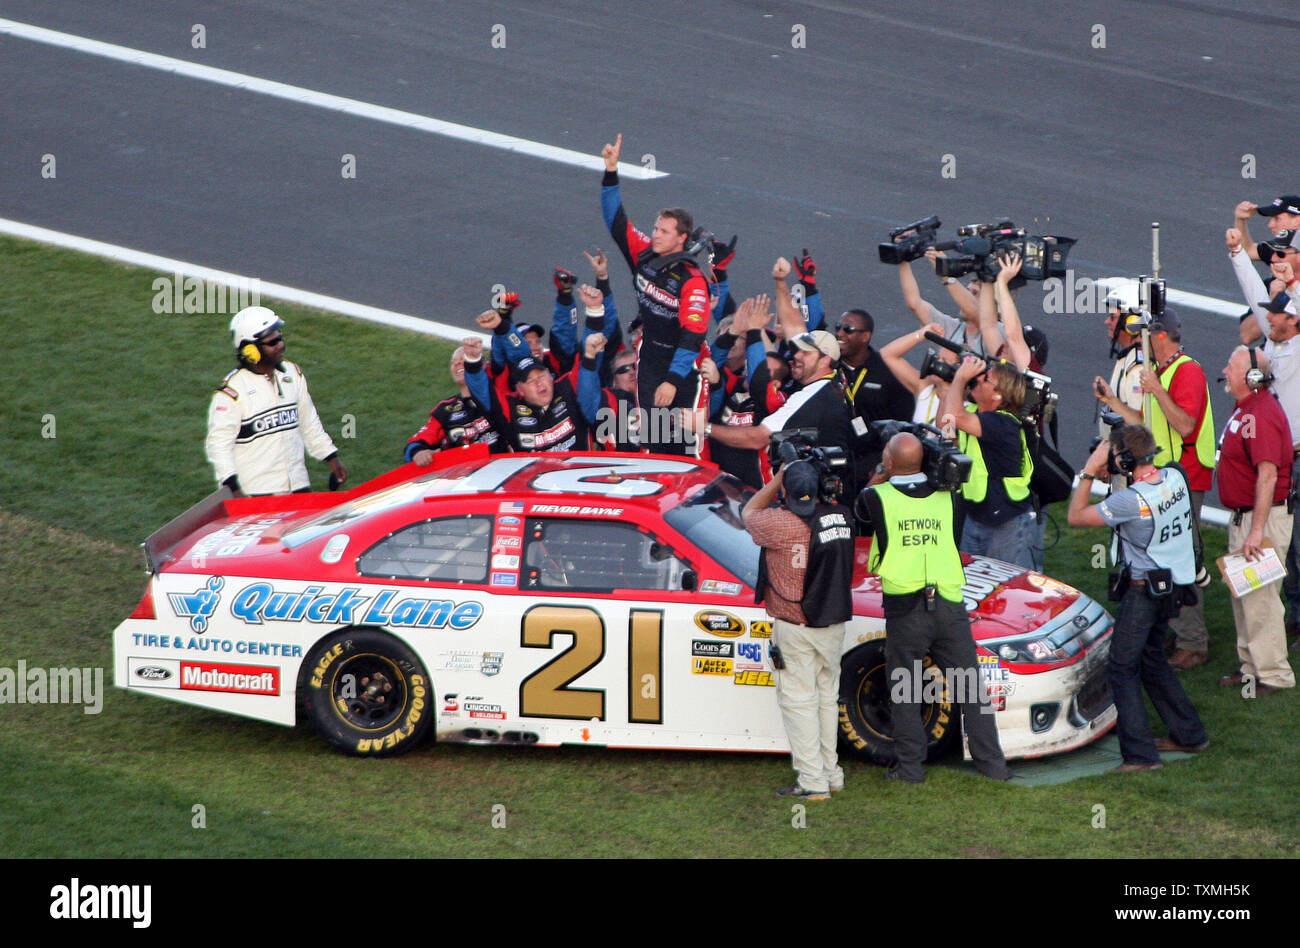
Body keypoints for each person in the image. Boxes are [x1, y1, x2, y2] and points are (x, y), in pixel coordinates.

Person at [859, 432, 1010, 783]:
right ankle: (993, 766)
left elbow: (865, 506)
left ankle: (911, 769)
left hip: (904, 606)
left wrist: (884, 468)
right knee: (970, 688)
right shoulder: (951, 497)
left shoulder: (876, 495)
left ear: (891, 462)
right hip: (948, 601)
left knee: (906, 689)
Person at [1066, 425, 1209, 770]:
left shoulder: (1129, 500)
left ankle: (1141, 755)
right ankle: (1189, 735)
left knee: (1122, 668)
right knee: (1152, 660)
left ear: (1125, 459)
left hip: (1144, 591)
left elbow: (1074, 516)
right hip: (1172, 587)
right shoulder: (1174, 476)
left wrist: (1089, 469)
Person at [1091, 307, 1214, 668]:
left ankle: (1194, 642)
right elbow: (1148, 423)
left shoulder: (1185, 371)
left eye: (1146, 334)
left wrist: (1157, 388)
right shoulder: (1164, 370)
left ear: (1159, 336)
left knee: (1180, 556)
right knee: (1166, 554)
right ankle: (1178, 629)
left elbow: (1185, 424)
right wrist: (1112, 403)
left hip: (1183, 477)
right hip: (1169, 477)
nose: (1139, 339)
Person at [742, 461, 855, 799]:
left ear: (787, 491)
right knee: (824, 699)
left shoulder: (779, 522)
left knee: (798, 703)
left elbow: (749, 512)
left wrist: (778, 477)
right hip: (833, 623)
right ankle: (831, 773)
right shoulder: (843, 515)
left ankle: (813, 782)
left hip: (795, 625)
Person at [600, 133, 710, 455]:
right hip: (648, 360)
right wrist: (610, 171)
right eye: (656, 228)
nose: (656, 235)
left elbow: (693, 336)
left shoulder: (692, 281)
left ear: (681, 239)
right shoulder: (644, 255)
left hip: (682, 367)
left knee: (682, 444)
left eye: (664, 231)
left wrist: (673, 381)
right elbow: (615, 221)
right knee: (653, 440)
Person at [1216, 346, 1296, 694]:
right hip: (1246, 518)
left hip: (1258, 520)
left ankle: (1274, 675)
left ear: (1251, 377)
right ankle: (1252, 667)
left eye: (1231, 366)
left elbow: (1267, 476)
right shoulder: (1248, 408)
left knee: (1261, 600)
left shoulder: (1259, 414)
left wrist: (1257, 530)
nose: (1224, 371)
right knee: (1246, 597)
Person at [687, 330, 854, 492]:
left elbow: (757, 437)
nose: (796, 356)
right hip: (815, 486)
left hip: (807, 492)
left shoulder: (812, 394)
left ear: (825, 360)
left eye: (806, 353)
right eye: (798, 351)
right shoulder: (833, 384)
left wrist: (705, 428)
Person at [206, 306, 346, 496]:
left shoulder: (292, 374)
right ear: (250, 350)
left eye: (280, 338)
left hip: (299, 488)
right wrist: (233, 489)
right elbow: (219, 446)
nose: (280, 345)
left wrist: (332, 458)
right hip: (258, 495)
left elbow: (309, 421)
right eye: (272, 342)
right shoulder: (232, 393)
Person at [939, 357, 1036, 568]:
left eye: (985, 379)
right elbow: (947, 430)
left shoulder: (1003, 423)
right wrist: (948, 389)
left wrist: (960, 379)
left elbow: (953, 416)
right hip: (977, 514)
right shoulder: (974, 415)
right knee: (971, 583)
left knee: (1005, 587)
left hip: (1006, 521)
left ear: (998, 394)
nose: (978, 381)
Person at [404, 346, 505, 463]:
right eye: (454, 362)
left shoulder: (501, 394)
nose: (457, 363)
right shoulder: (445, 410)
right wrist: (418, 453)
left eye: (463, 359)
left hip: (506, 469)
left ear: (483, 365)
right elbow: (415, 443)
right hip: (467, 475)